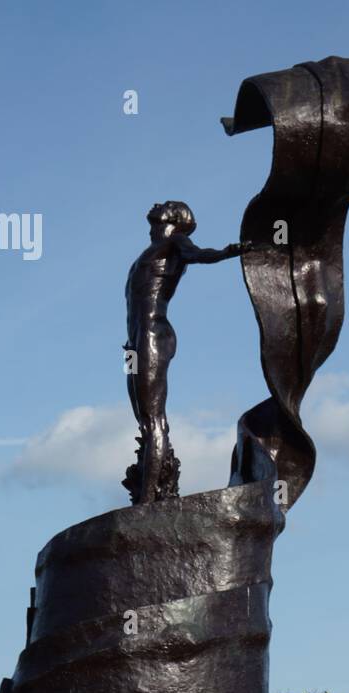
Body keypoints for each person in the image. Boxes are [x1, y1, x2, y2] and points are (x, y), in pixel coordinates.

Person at [123, 200, 245, 503]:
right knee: (143, 419)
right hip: (133, 342)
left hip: (153, 333)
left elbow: (199, 255)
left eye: (166, 204)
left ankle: (149, 502)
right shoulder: (148, 252)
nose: (156, 204)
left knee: (154, 419)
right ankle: (148, 490)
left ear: (176, 217)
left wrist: (232, 251)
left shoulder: (176, 242)